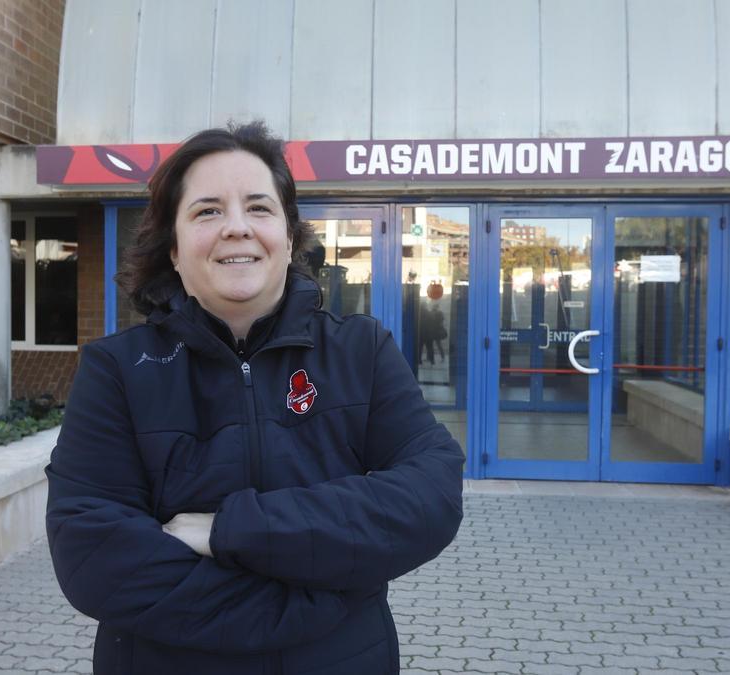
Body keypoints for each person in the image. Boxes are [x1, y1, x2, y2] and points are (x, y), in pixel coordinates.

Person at [45, 121, 464, 675]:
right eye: (207, 210)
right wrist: (316, 600)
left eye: (259, 208)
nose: (236, 228)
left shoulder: (361, 350)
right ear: (173, 247)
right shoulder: (117, 370)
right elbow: (93, 555)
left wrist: (228, 529)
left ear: (289, 238)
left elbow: (428, 497)